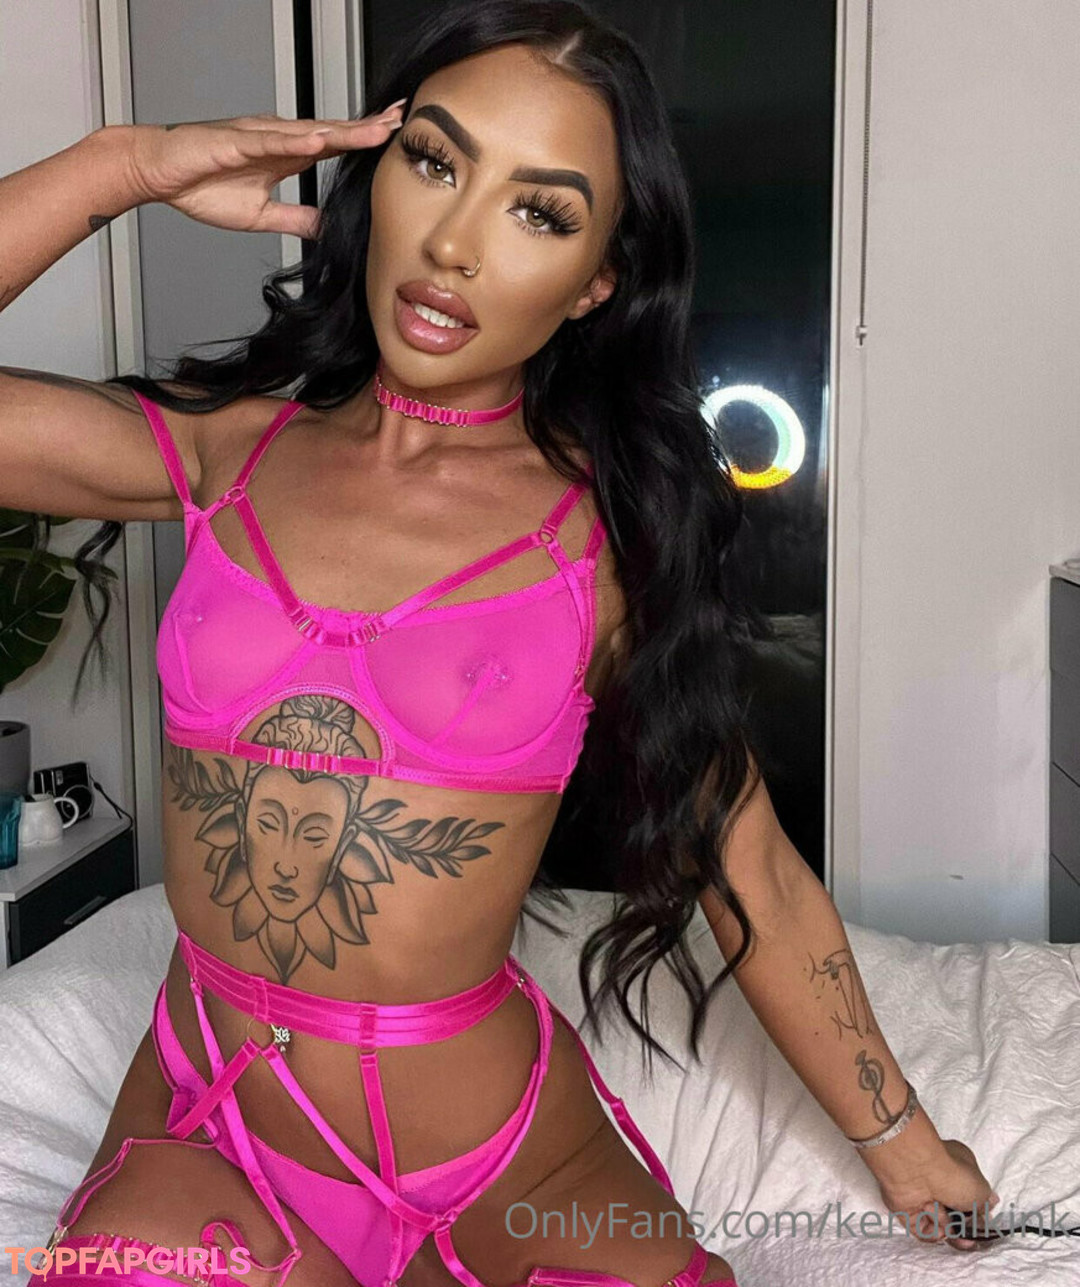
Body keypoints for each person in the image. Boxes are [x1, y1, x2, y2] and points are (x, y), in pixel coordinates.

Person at [0, 2, 998, 1284]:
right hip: (208, 1129)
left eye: (540, 212)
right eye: (434, 161)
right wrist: (124, 165)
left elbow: (749, 865)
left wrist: (907, 1150)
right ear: (374, 174)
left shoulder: (602, 546)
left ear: (596, 283)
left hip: (504, 1164)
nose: (455, 244)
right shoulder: (224, 453)